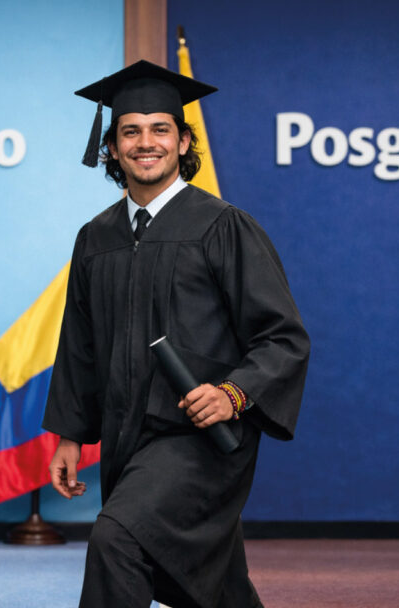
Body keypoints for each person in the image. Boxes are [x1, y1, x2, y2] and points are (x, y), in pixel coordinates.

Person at [42, 60, 310, 608]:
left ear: (184, 141)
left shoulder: (221, 226)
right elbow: (80, 346)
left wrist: (232, 393)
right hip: (125, 441)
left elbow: (283, 337)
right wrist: (71, 434)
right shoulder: (96, 238)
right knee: (208, 583)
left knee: (117, 541)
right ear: (112, 148)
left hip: (198, 440)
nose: (146, 142)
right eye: (130, 131)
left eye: (160, 128)